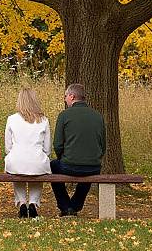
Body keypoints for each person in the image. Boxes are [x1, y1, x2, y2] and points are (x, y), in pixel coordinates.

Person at [50, 83, 106, 216]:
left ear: (72, 96)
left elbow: (57, 144)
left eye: (65, 96)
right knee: (89, 170)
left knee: (52, 166)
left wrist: (63, 158)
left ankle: (65, 206)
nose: (65, 99)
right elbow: (103, 145)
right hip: (93, 166)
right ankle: (75, 205)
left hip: (69, 165)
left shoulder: (64, 115)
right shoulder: (98, 116)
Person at [4, 88, 51, 218]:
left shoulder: (11, 119)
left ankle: (21, 203)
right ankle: (33, 203)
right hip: (37, 161)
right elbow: (47, 148)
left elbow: (8, 147)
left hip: (16, 161)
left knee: (18, 168)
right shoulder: (44, 120)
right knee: (36, 170)